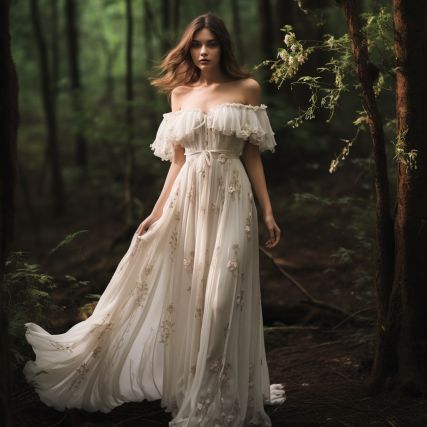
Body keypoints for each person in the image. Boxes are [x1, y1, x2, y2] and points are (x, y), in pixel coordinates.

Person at [24, 12, 286, 427]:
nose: (203, 51)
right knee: (194, 292)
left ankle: (219, 397)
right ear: (188, 48)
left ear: (223, 47)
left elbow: (251, 153)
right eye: (196, 44)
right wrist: (157, 210)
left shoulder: (247, 88)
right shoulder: (180, 95)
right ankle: (195, 389)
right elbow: (178, 162)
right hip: (189, 199)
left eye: (211, 44)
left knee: (223, 296)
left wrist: (268, 210)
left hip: (233, 197)